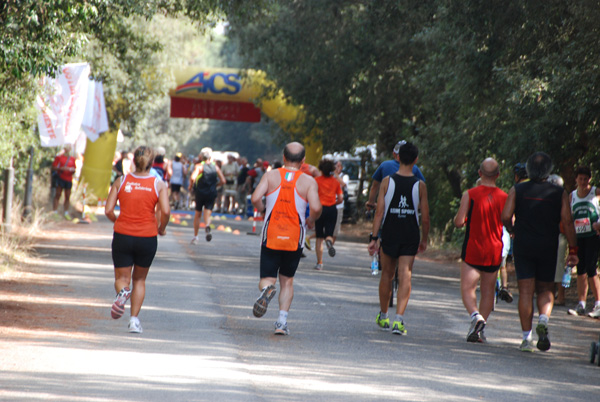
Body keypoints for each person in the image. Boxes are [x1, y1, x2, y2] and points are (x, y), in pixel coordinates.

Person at [502, 152, 579, 352]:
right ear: (549, 170)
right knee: (545, 289)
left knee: (526, 291)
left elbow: (505, 215)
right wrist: (573, 249)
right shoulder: (558, 192)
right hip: (548, 245)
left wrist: (512, 230)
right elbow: (567, 221)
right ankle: (543, 320)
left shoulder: (517, 189)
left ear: (528, 169)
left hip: (524, 244)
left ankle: (526, 339)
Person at [251, 142, 322, 335]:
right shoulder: (309, 181)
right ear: (303, 161)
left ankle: (267, 290)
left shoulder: (271, 175)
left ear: (284, 157)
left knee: (267, 278)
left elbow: (255, 197)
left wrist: (264, 209)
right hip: (294, 237)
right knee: (287, 280)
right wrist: (310, 220)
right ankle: (281, 323)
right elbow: (316, 208)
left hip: (271, 234)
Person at [105, 146, 170, 333]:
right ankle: (134, 321)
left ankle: (123, 292)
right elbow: (165, 211)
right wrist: (162, 228)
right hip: (147, 237)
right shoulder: (159, 185)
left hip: (123, 235)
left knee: (121, 278)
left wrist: (119, 222)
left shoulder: (121, 180)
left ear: (134, 161)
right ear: (152, 163)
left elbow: (108, 210)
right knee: (139, 280)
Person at [368, 142, 429, 336]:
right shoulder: (420, 186)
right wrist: (424, 239)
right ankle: (399, 321)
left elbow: (379, 213)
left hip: (390, 233)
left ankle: (384, 315)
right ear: (416, 160)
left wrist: (374, 237)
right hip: (410, 233)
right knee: (406, 274)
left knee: (387, 274)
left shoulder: (387, 181)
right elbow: (425, 217)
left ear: (398, 157)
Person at [454, 158, 508, 343]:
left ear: (479, 173)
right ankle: (479, 329)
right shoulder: (505, 197)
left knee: (467, 288)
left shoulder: (470, 194)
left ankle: (475, 316)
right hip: (494, 250)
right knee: (488, 292)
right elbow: (511, 222)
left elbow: (459, 222)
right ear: (498, 175)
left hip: (473, 248)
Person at [568, 166, 600, 318]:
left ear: (590, 179)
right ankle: (581, 304)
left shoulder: (595, 192)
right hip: (578, 236)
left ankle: (598, 303)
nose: (582, 182)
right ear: (576, 179)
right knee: (580, 268)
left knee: (591, 268)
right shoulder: (572, 195)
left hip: (593, 236)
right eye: (580, 179)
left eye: (585, 179)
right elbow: (568, 216)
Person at [366, 140, 426, 211]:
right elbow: (422, 189)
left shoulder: (384, 165)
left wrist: (371, 202)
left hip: (386, 209)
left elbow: (374, 187)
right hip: (407, 209)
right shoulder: (414, 168)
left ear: (394, 154)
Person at [189, 147, 226, 244]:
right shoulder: (216, 167)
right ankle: (207, 225)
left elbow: (193, 177)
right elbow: (223, 180)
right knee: (207, 213)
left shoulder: (199, 166)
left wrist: (190, 186)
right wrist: (216, 185)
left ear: (201, 156)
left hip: (200, 193)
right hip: (211, 192)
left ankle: (196, 237)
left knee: (197, 214)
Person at [313, 158, 344, 270]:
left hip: (320, 209)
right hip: (332, 209)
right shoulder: (335, 182)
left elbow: (312, 196)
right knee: (329, 234)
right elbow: (341, 198)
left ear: (321, 168)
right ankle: (329, 242)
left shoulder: (316, 180)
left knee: (319, 237)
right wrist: (333, 203)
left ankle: (319, 263)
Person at [547, 174, 568, 306]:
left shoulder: (561, 199)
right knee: (552, 265)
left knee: (559, 266)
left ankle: (561, 296)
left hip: (560, 235)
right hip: (552, 234)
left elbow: (566, 220)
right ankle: (551, 294)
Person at [51, 144, 77, 219]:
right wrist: (62, 168)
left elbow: (74, 169)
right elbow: (54, 167)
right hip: (61, 178)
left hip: (69, 179)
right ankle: (54, 211)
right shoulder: (59, 158)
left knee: (68, 196)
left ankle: (66, 212)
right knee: (58, 194)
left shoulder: (72, 159)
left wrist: (72, 170)